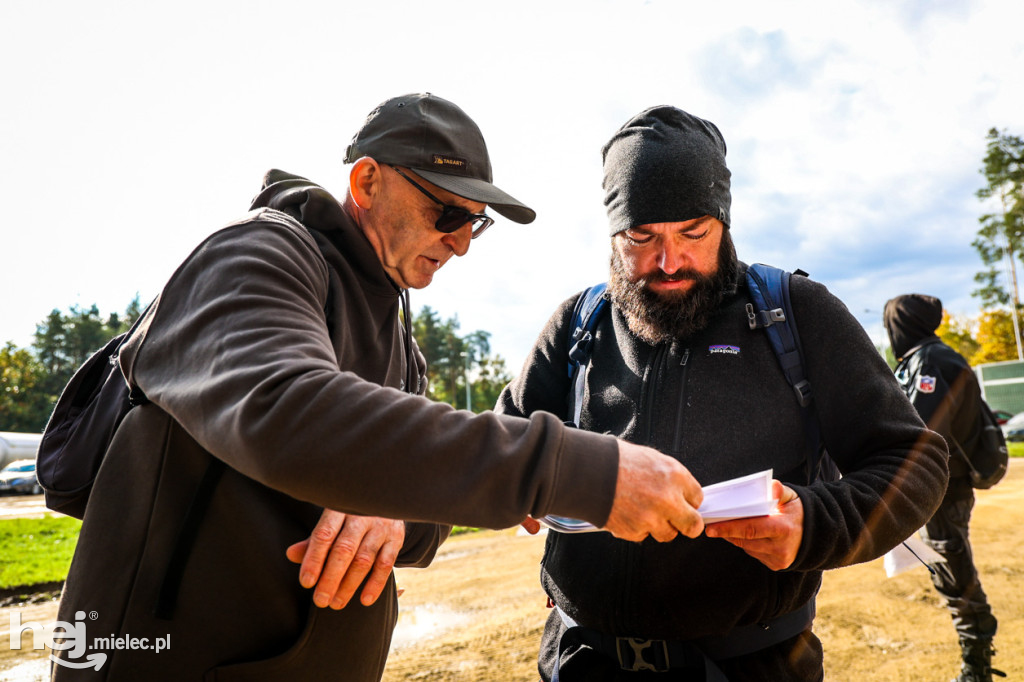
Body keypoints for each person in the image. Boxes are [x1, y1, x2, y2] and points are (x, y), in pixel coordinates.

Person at [52, 94, 708, 681]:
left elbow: (424, 527)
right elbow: (287, 414)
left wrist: (384, 498)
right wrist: (577, 469)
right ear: (367, 181)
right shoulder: (256, 256)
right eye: (446, 212)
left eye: (475, 223)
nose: (460, 244)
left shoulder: (397, 336)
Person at [496, 105, 950, 681]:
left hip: (750, 664)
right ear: (613, 235)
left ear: (724, 223)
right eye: (641, 236)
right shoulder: (577, 324)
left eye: (693, 233)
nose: (668, 261)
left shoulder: (796, 314)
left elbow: (917, 460)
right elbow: (504, 441)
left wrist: (814, 523)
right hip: (581, 659)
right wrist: (525, 486)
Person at [884, 294, 1002, 682]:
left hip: (945, 488)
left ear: (903, 325)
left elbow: (919, 430)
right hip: (944, 486)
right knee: (951, 572)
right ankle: (977, 665)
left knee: (956, 576)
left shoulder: (931, 362)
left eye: (891, 324)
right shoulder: (931, 357)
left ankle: (977, 670)